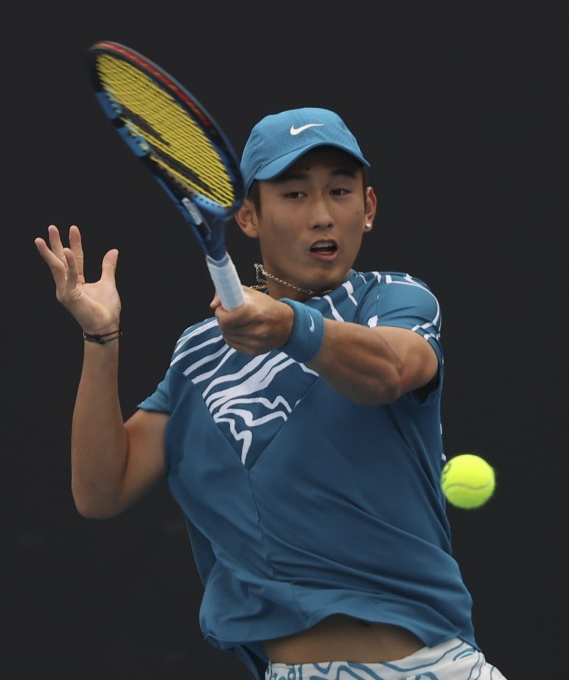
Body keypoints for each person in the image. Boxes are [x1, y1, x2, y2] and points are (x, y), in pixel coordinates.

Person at [34, 107, 507, 680]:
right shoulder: (199, 357)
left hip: (432, 669)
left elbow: (388, 371)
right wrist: (100, 337)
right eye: (294, 195)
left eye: (339, 191)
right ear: (250, 217)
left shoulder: (394, 301)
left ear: (369, 208)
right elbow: (101, 490)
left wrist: (288, 326)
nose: (322, 215)